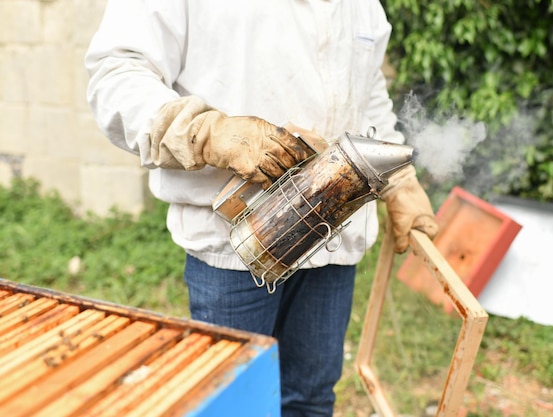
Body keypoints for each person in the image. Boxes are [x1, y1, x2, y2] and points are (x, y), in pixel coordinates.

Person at [85, 1, 438, 416]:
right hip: (237, 244)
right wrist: (207, 132)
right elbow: (118, 71)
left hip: (334, 238)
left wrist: (400, 181)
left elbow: (368, 91)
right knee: (236, 405)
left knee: (309, 400)